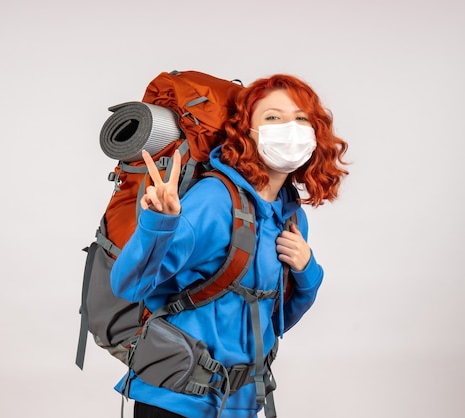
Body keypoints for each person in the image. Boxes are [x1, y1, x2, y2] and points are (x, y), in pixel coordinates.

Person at [110, 74, 349, 418]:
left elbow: (276, 319)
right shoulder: (215, 200)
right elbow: (128, 285)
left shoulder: (290, 215)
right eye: (272, 118)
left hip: (238, 402)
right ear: (246, 132)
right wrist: (158, 224)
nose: (290, 128)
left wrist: (308, 271)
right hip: (176, 401)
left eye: (301, 118)